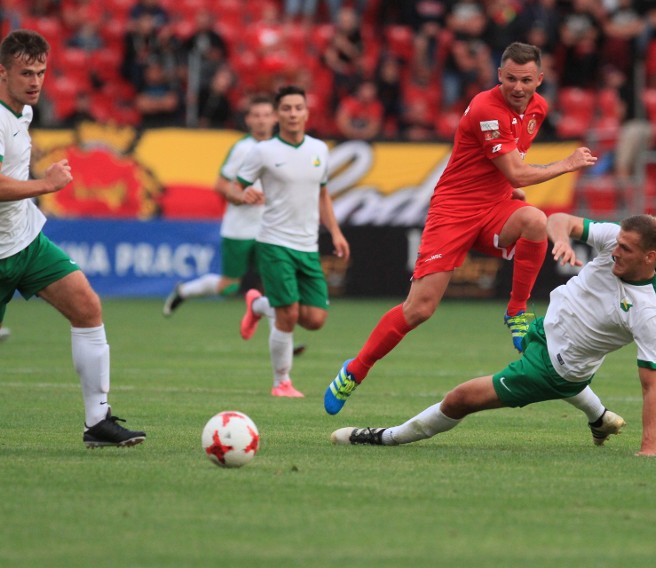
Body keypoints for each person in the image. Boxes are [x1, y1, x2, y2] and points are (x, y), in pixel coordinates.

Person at [324, 42, 598, 415]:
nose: (518, 87)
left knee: (535, 220)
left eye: (527, 80)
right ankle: (354, 371)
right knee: (419, 309)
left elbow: (508, 164)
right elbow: (516, 168)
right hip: (453, 211)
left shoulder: (538, 108)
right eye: (512, 79)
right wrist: (565, 163)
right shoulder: (487, 108)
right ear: (500, 75)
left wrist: (507, 184)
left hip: (494, 207)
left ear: (540, 80)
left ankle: (517, 311)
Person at [331, 213, 656, 457]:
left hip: (552, 368)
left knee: (459, 399)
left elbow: (653, 383)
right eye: (618, 243)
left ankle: (386, 437)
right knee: (526, 344)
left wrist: (649, 450)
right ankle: (599, 418)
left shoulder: (648, 310)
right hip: (544, 330)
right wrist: (564, 239)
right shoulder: (615, 238)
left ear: (649, 257)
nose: (615, 251)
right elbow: (558, 220)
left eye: (625, 249)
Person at [0, 29, 145, 448]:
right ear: (3, 73)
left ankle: (98, 422)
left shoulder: (22, 112)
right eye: (26, 72)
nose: (35, 81)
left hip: (25, 243)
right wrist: (44, 186)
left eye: (41, 72)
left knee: (86, 305)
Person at [235, 85, 350, 398]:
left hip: (307, 245)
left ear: (306, 112)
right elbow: (236, 187)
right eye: (286, 108)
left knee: (315, 319)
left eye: (298, 107)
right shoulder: (262, 151)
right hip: (273, 242)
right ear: (277, 115)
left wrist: (336, 232)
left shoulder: (319, 150)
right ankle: (281, 382)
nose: (293, 113)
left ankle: (259, 305)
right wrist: (242, 194)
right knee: (287, 314)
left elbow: (323, 194)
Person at [163, 96, 275, 316]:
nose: (262, 120)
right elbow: (221, 184)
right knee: (230, 286)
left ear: (275, 118)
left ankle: (283, 342)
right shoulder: (243, 149)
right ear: (249, 120)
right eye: (257, 115)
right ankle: (184, 290)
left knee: (276, 283)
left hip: (270, 227)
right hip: (240, 227)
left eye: (266, 115)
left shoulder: (281, 149)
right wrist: (243, 195)